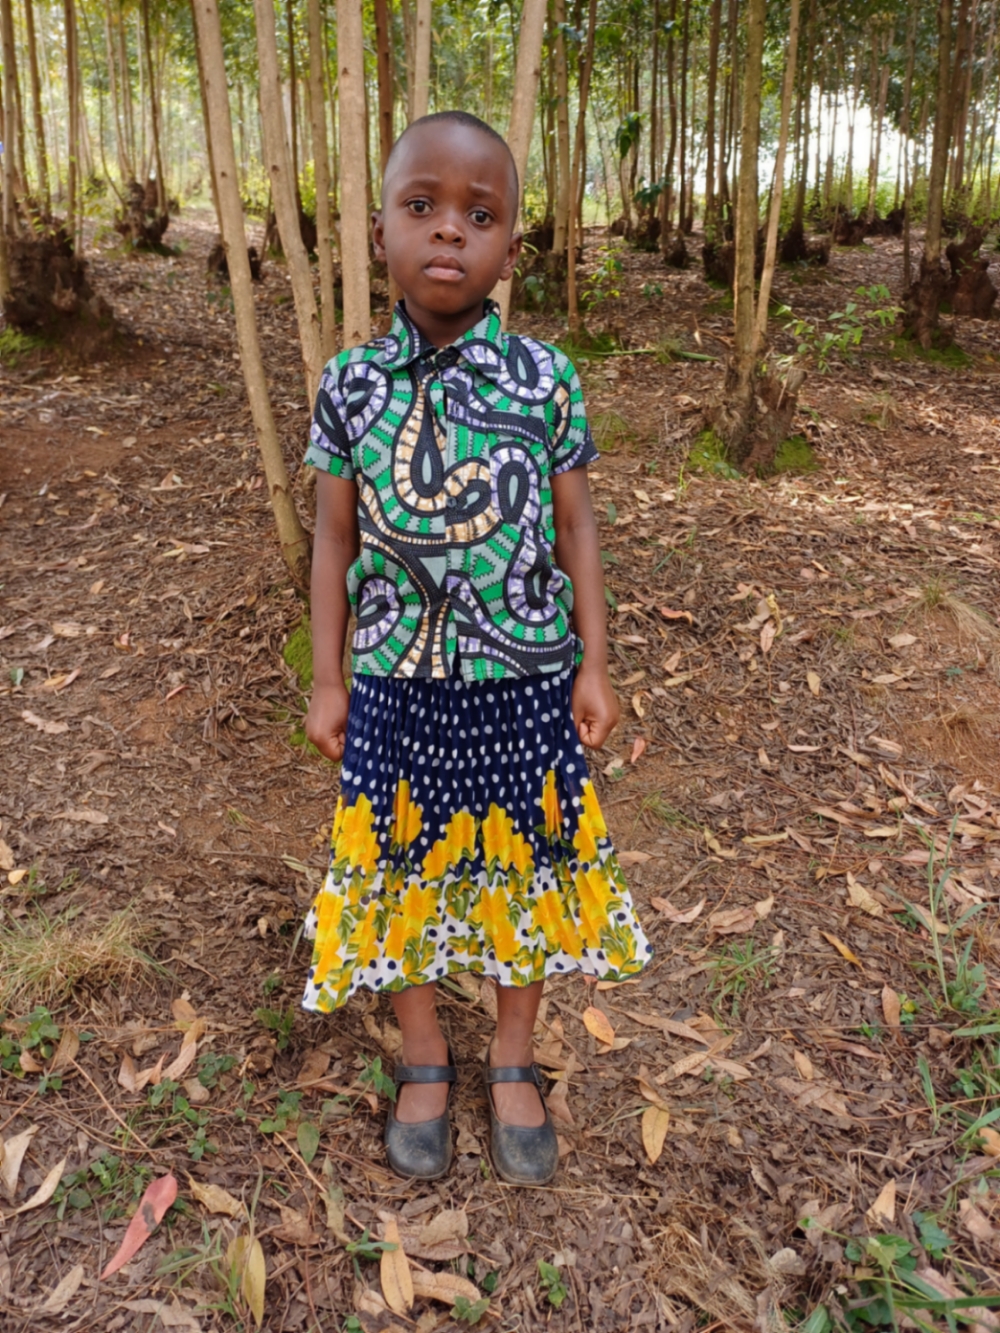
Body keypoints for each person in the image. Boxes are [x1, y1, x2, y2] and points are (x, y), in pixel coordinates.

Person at [301, 110, 651, 1187]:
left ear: (511, 246)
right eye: (422, 208)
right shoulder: (352, 384)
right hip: (396, 686)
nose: (448, 233)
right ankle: (420, 1056)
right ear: (379, 231)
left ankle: (509, 1057)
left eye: (479, 215)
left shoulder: (546, 379)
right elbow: (333, 535)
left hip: (525, 683)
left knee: (527, 867)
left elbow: (578, 523)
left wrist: (594, 659)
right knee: (395, 867)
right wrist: (327, 675)